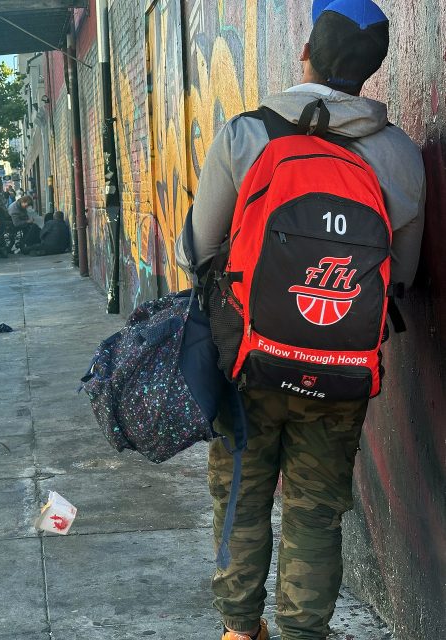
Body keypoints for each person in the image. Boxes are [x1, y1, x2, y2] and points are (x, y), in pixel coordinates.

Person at [175, 2, 425, 639]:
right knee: (315, 515)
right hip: (339, 369)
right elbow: (406, 272)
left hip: (249, 360)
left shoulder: (246, 134)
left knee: (241, 499)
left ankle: (238, 630)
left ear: (307, 50)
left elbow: (200, 251)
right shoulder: (400, 155)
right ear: (370, 70)